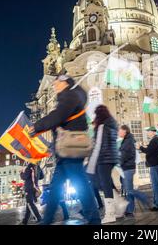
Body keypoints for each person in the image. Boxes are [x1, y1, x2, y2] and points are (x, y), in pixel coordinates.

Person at [29, 74, 100, 225]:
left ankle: (94, 220)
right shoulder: (71, 95)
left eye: (56, 82)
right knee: (55, 189)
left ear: (65, 82)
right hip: (66, 149)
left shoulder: (69, 95)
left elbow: (58, 115)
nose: (54, 84)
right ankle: (47, 220)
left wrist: (37, 126)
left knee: (80, 184)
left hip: (70, 148)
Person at [86, 105, 120, 224]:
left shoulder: (101, 126)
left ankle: (110, 213)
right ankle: (118, 207)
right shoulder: (111, 124)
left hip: (103, 159)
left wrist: (91, 164)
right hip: (111, 158)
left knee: (104, 184)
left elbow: (98, 145)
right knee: (107, 183)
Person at [119, 125, 150, 217]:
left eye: (120, 131)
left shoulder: (128, 141)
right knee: (128, 190)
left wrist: (118, 161)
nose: (118, 133)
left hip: (128, 167)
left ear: (125, 131)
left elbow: (125, 154)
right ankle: (129, 210)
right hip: (127, 167)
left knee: (129, 189)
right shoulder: (127, 140)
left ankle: (144, 197)